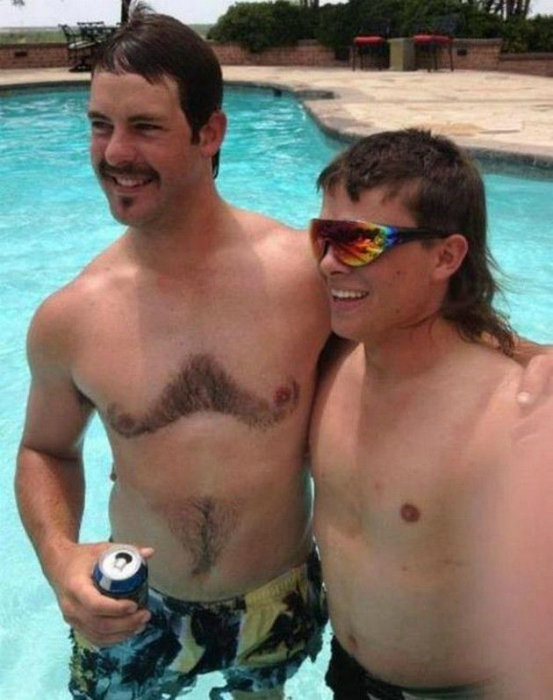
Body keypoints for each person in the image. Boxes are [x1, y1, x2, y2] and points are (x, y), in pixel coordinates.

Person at [15, 9, 328, 700]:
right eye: (100, 125)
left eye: (145, 127)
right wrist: (60, 558)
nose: (115, 152)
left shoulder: (307, 279)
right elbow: (45, 449)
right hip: (134, 609)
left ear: (209, 132)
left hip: (276, 597)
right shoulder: (71, 317)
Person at [307, 128, 548, 699]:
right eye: (323, 236)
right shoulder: (330, 359)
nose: (329, 264)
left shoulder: (513, 415)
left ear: (446, 256)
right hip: (348, 673)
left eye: (358, 241)